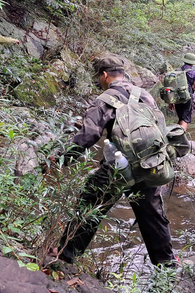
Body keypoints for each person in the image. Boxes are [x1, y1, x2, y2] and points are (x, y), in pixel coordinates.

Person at [48, 55, 175, 267]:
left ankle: (65, 254)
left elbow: (88, 136)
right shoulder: (145, 95)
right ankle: (167, 265)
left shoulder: (105, 99)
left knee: (91, 204)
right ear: (123, 73)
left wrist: (61, 159)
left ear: (104, 75)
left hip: (118, 168)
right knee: (153, 216)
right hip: (149, 165)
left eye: (99, 77)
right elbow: (159, 128)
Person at [170, 53, 195, 131]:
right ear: (193, 63)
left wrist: (171, 102)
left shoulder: (177, 71)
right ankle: (180, 139)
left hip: (177, 98)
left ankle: (174, 136)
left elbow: (172, 87)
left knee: (181, 118)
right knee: (185, 120)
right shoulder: (194, 73)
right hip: (187, 98)